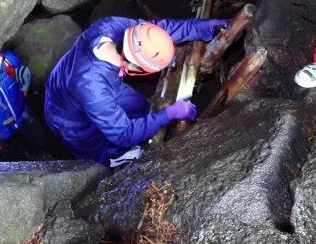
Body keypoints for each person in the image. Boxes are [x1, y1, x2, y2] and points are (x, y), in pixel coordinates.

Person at [44, 16, 228, 166]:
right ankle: (113, 161)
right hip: (67, 113)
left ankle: (133, 135)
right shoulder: (91, 88)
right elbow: (123, 134)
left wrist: (202, 26)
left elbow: (155, 31)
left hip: (98, 81)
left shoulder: (110, 26)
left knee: (138, 106)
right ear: (133, 68)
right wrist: (169, 113)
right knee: (94, 147)